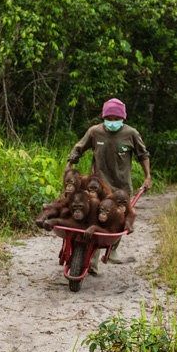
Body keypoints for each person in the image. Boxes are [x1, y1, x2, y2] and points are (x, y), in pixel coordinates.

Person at [66, 98, 152, 267]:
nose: (112, 122)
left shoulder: (131, 134)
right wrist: (70, 163)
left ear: (123, 119)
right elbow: (79, 148)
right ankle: (92, 260)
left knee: (119, 219)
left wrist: (147, 176)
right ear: (104, 117)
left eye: (116, 119)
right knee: (95, 217)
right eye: (109, 118)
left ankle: (112, 250)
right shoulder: (95, 132)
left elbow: (143, 155)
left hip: (121, 186)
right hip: (99, 185)